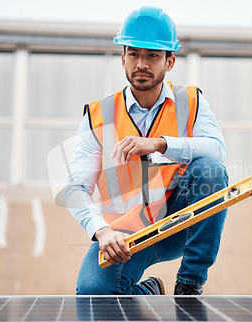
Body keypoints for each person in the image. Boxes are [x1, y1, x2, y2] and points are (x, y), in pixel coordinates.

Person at [66, 6, 228, 295]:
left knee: (210, 171)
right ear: (123, 58)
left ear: (170, 62)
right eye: (134, 54)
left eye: (153, 55)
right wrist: (102, 231)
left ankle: (190, 284)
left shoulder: (191, 102)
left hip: (179, 222)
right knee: (92, 292)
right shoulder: (97, 115)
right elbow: (76, 188)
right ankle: (151, 292)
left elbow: (217, 151)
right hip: (126, 234)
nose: (142, 63)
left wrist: (161, 143)